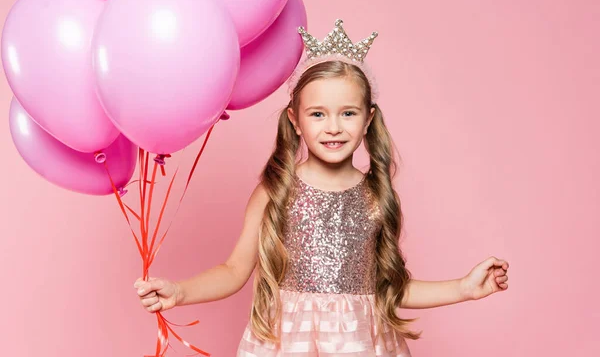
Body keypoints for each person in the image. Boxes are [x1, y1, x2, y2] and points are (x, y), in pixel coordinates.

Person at [133, 19, 510, 356]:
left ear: (368, 120)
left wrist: (463, 287)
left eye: (348, 113)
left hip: (362, 346)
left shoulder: (376, 197)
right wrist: (179, 293)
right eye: (318, 114)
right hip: (288, 344)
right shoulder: (277, 191)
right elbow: (234, 269)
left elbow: (390, 290)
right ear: (296, 120)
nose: (333, 127)